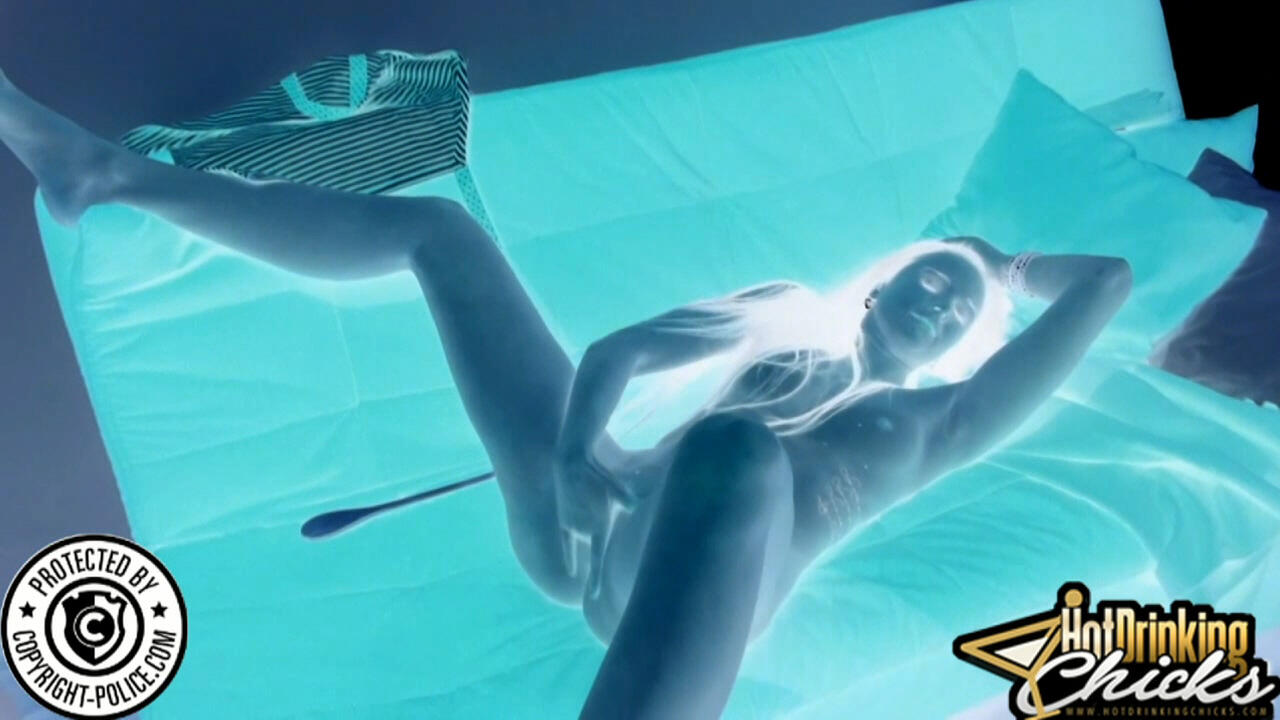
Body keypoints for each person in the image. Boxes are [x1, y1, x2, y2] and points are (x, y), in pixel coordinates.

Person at [0, 66, 1132, 719]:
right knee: (443, 233)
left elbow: (1108, 283)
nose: (938, 300)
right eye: (927, 278)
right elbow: (617, 356)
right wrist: (585, 458)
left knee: (737, 449)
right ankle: (108, 172)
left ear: (962, 347)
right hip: (590, 517)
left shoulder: (934, 422)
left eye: (957, 308)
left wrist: (1001, 265)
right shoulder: (785, 312)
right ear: (880, 283)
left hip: (684, 590)